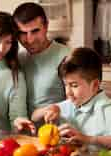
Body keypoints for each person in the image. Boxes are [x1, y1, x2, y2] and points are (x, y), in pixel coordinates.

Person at [32, 47, 111, 149]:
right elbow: (34, 116)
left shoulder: (105, 109)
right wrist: (50, 109)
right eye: (65, 85)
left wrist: (89, 139)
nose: (68, 92)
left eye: (74, 85)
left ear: (95, 85)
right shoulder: (71, 103)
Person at [12, 2, 70, 131]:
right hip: (25, 138)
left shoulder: (66, 57)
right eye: (23, 33)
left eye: (35, 31)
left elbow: (79, 103)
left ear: (46, 27)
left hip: (57, 137)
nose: (30, 39)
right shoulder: (19, 59)